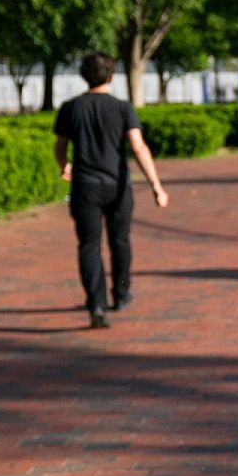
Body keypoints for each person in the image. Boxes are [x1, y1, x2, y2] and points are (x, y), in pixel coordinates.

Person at [53, 52, 169, 328]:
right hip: (117, 187)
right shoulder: (122, 108)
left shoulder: (71, 108)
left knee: (89, 246)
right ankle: (122, 292)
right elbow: (138, 147)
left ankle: (95, 305)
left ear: (83, 76)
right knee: (121, 242)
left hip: (85, 188)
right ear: (112, 76)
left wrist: (64, 165)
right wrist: (156, 185)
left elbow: (60, 147)